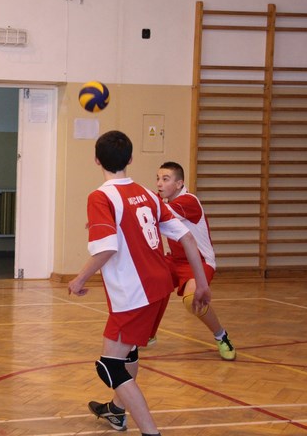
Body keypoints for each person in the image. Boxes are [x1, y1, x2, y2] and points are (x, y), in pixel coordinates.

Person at [68, 131, 211, 435]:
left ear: (96, 160)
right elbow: (187, 238)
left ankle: (151, 432)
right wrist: (201, 284)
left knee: (110, 366)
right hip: (159, 289)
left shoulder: (100, 196)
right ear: (131, 159)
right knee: (129, 352)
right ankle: (117, 411)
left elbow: (107, 248)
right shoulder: (147, 194)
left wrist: (79, 279)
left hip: (133, 293)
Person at [153, 161, 236, 360]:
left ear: (179, 184)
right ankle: (148, 334)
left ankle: (221, 335)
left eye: (165, 179)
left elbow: (153, 214)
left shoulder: (188, 201)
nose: (159, 183)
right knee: (148, 284)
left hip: (199, 262)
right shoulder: (161, 200)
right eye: (158, 179)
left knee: (192, 300)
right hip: (174, 260)